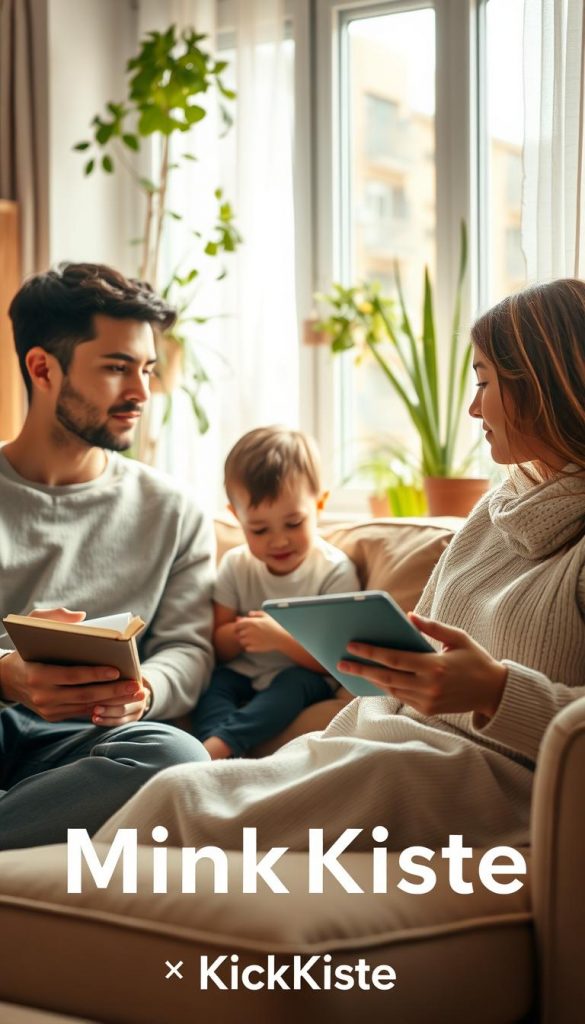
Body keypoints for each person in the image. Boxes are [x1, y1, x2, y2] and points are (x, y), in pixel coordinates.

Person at [94, 277, 585, 854]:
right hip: (384, 742)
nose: (474, 406)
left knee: (185, 810)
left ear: (542, 388)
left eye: (483, 382)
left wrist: (497, 691)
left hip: (485, 778)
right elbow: (406, 671)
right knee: (175, 789)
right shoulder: (496, 509)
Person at [0, 262, 213, 851]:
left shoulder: (173, 512)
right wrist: (6, 674)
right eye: (118, 368)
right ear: (43, 368)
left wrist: (144, 693)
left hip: (81, 748)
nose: (142, 392)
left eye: (146, 368)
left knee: (174, 754)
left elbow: (188, 649)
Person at [190, 427, 360, 758]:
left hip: (302, 677)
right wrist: (239, 634)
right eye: (259, 529)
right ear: (235, 517)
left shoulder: (334, 571)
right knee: (213, 686)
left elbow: (335, 662)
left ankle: (217, 748)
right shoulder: (236, 565)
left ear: (320, 504)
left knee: (292, 687)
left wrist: (279, 639)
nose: (279, 541)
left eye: (294, 523)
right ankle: (218, 755)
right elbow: (218, 645)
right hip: (243, 671)